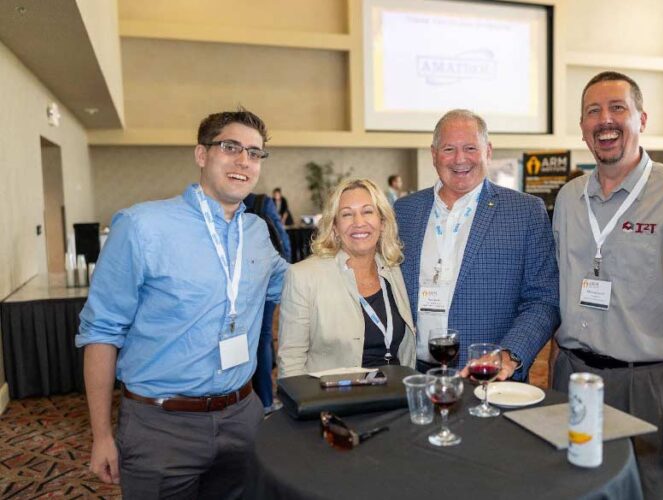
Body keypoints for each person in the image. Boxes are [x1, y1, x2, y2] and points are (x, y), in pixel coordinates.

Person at [76, 109, 289, 498]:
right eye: (231, 147)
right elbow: (101, 333)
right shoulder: (142, 227)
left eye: (255, 153)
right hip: (160, 426)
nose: (244, 161)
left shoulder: (257, 231)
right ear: (201, 154)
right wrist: (102, 435)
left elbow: (294, 288)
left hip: (243, 417)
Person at [551, 71, 663, 499]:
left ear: (642, 119)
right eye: (593, 111)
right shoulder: (568, 199)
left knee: (650, 492)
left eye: (618, 108)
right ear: (582, 127)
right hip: (572, 376)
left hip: (650, 386)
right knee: (569, 489)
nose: (605, 120)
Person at [394, 109, 559, 381]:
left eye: (471, 148)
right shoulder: (404, 211)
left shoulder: (524, 212)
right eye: (449, 149)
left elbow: (544, 299)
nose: (460, 159)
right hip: (414, 375)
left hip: (489, 378)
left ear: (488, 151)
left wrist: (509, 354)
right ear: (434, 154)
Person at [278, 178, 416, 377]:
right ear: (334, 226)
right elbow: (290, 362)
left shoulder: (394, 269)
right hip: (335, 402)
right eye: (347, 214)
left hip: (397, 398)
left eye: (368, 212)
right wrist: (312, 408)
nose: (359, 223)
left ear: (383, 222)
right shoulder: (303, 276)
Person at [243, 192, 291, 412]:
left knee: (245, 336)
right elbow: (282, 239)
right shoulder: (262, 202)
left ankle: (246, 397)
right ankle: (265, 401)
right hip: (267, 276)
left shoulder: (223, 206)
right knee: (263, 335)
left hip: (240, 282)